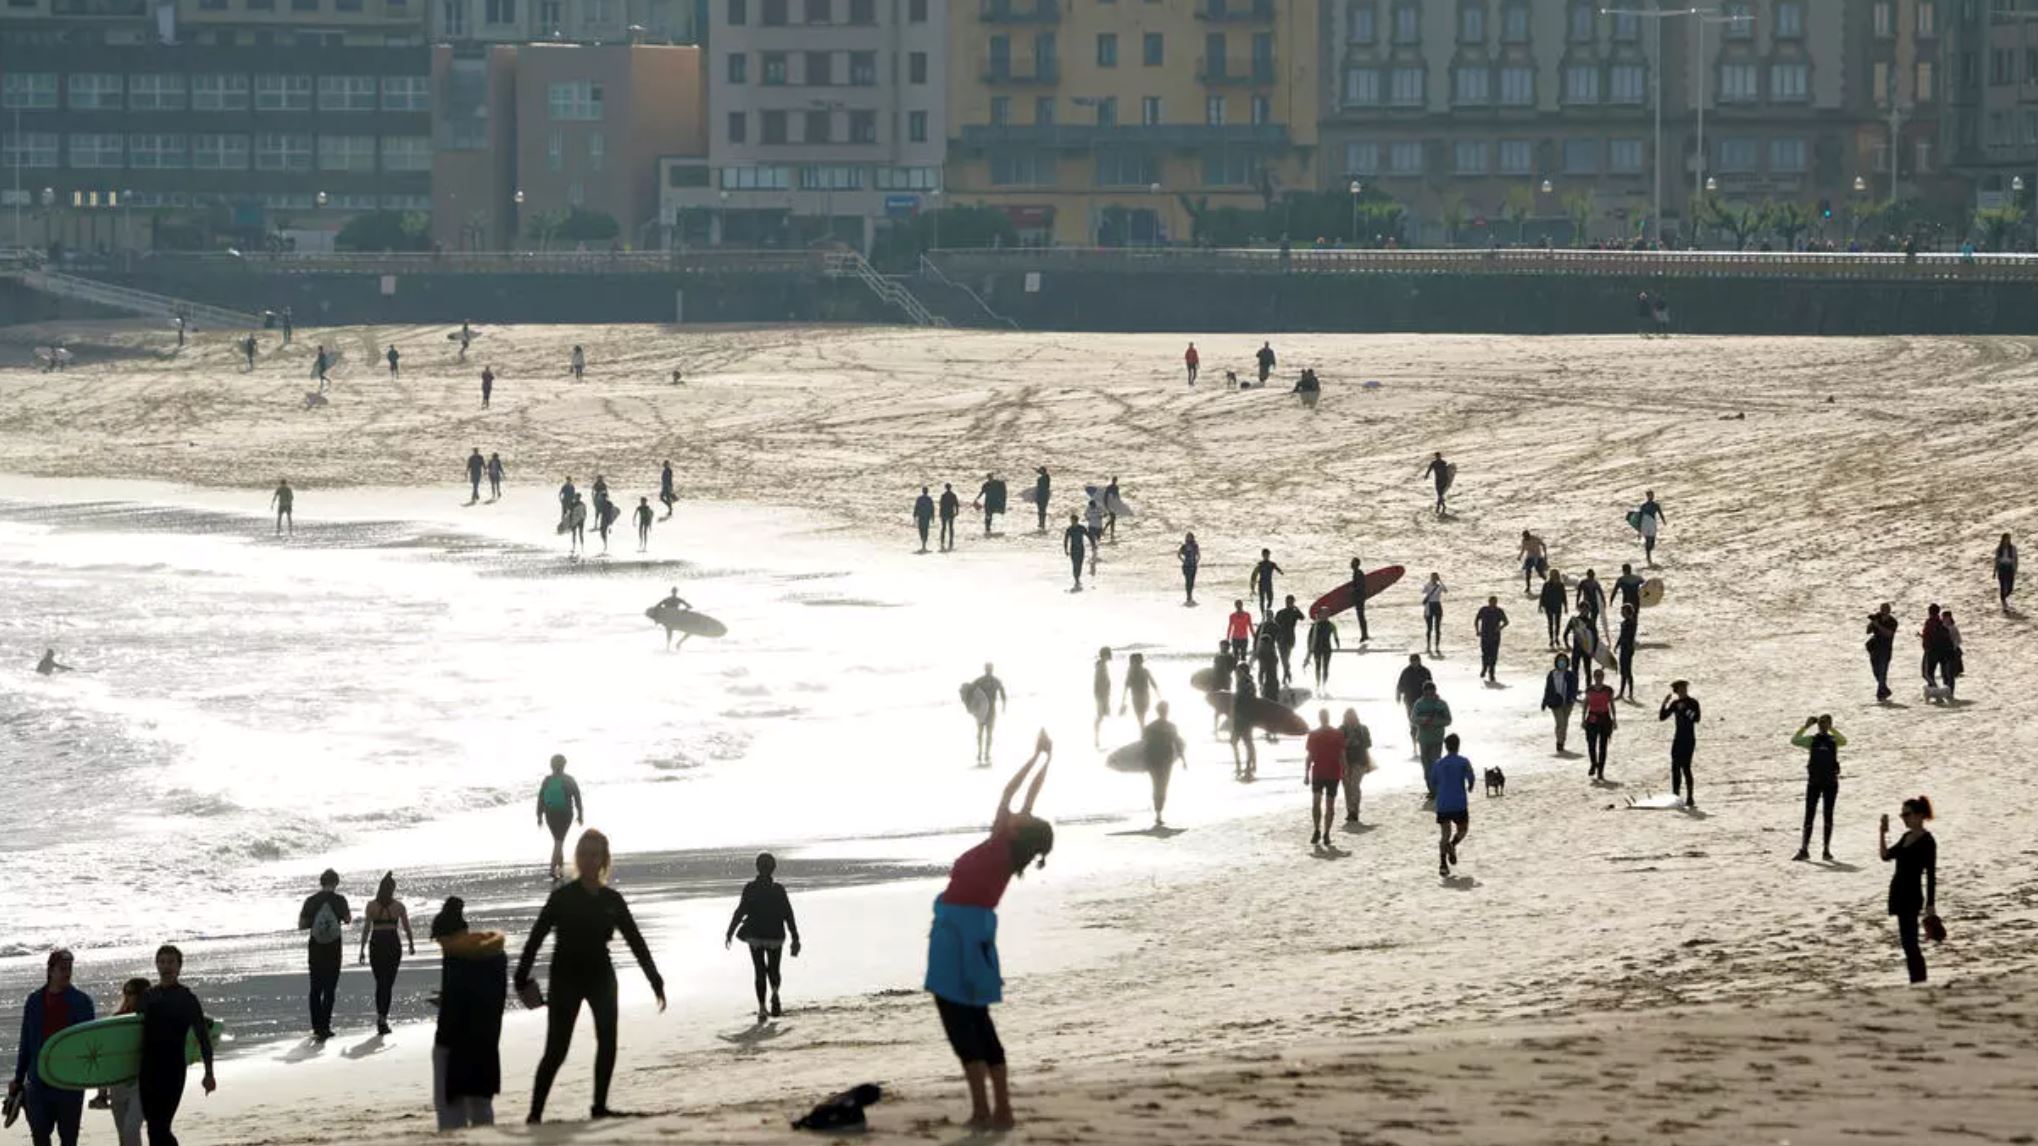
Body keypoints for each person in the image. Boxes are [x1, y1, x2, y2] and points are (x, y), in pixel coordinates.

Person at [925, 733, 1053, 1131]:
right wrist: (1044, 758)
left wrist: (1036, 756)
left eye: (1023, 818)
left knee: (959, 1019)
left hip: (957, 935)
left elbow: (1010, 791)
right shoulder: (1010, 848)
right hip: (975, 934)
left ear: (1018, 831)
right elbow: (1025, 796)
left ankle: (984, 1111)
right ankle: (1001, 1110)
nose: (1018, 813)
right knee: (977, 1018)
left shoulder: (1002, 841)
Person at [515, 829, 666, 1124]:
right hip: (565, 977)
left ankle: (599, 1106)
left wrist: (654, 979)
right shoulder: (562, 897)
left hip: (601, 975)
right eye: (583, 854)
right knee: (556, 1049)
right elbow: (535, 938)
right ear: (577, 858)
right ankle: (535, 1114)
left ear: (603, 859)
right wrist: (521, 977)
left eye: (594, 854)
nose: (588, 859)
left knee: (607, 1042)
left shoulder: (612, 899)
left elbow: (635, 940)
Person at [430, 898, 505, 1131]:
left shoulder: (455, 960)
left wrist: (446, 1002)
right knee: (482, 1107)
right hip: (486, 1041)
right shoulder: (495, 955)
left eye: (440, 941)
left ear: (448, 937)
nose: (440, 946)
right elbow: (487, 998)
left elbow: (457, 1005)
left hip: (453, 1044)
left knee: (450, 1110)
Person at [10, 950, 93, 1146]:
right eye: (62, 969)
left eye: (69, 969)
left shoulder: (82, 1002)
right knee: (39, 1137)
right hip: (38, 1081)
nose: (67, 973)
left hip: (70, 1082)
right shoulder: (34, 1001)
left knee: (69, 1139)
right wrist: (18, 1079)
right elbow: (26, 1042)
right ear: (50, 970)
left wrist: (91, 1077)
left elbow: (90, 1044)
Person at [135, 945, 214, 1146]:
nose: (166, 966)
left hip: (172, 1070)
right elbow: (132, 1032)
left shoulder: (187, 999)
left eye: (171, 962)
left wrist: (209, 1073)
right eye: (162, 962)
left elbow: (203, 1037)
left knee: (161, 1126)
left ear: (179, 967)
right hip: (148, 1070)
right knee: (153, 1128)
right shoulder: (148, 997)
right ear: (156, 965)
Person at [725, 853, 801, 1022]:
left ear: (757, 867)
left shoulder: (750, 888)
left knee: (759, 970)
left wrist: (730, 931)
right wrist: (795, 936)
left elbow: (740, 911)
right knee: (774, 968)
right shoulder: (778, 889)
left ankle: (761, 1008)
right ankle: (775, 993)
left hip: (755, 936)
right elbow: (788, 914)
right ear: (773, 868)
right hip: (775, 935)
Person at [1879, 796, 1938, 984]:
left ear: (1919, 815)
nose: (1904, 818)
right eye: (1902, 815)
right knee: (1907, 943)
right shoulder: (1906, 837)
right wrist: (1882, 832)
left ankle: (1919, 980)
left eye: (1907, 814)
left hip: (1912, 894)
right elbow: (1886, 855)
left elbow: (1931, 875)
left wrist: (1930, 904)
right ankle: (1917, 980)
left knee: (1910, 942)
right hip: (1898, 892)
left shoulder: (1928, 841)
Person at [359, 872, 415, 1036]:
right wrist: (411, 944)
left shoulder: (371, 906)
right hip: (392, 943)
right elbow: (406, 927)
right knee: (388, 984)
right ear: (392, 889)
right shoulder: (399, 906)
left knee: (380, 983)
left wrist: (362, 949)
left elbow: (366, 929)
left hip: (376, 943)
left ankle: (380, 1017)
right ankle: (383, 1019)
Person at [298, 869, 351, 1040]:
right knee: (330, 988)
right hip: (333, 948)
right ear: (336, 883)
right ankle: (325, 1025)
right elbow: (348, 919)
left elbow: (301, 924)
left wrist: (316, 922)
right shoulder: (340, 900)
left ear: (321, 882)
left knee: (315, 988)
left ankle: (316, 1026)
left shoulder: (311, 900)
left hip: (316, 948)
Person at [99, 977, 150, 1146]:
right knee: (123, 1135)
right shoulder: (116, 1021)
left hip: (142, 1084)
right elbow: (106, 1056)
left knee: (131, 1129)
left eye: (132, 993)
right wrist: (102, 1090)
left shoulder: (154, 1019)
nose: (127, 996)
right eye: (125, 992)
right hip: (117, 1084)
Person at [1791, 714, 1846, 862]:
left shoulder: (1834, 740)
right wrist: (1806, 726)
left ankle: (1826, 850)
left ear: (1830, 724)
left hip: (1830, 782)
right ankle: (1804, 849)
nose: (1822, 725)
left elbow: (1844, 741)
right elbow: (1794, 740)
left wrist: (1832, 729)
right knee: (1809, 815)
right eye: (1821, 723)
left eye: (1826, 723)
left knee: (1828, 815)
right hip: (1814, 782)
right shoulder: (1812, 740)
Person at [1429, 734, 1476, 877]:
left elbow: (1433, 782)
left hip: (1443, 803)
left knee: (1445, 834)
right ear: (1458, 746)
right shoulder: (1463, 762)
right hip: (1459, 803)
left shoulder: (1438, 763)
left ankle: (1443, 864)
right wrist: (1470, 787)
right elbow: (1471, 777)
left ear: (1446, 746)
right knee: (1463, 829)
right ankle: (1453, 844)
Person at [1302, 710, 1346, 847]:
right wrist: (1345, 771)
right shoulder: (1319, 734)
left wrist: (1306, 774)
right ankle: (1321, 831)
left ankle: (1323, 832)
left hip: (1326, 773)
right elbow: (1342, 756)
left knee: (1321, 803)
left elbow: (1341, 755)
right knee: (1324, 804)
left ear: (1321, 718)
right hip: (1326, 773)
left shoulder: (1332, 734)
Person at [537, 754, 584, 881]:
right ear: (564, 765)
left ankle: (561, 870)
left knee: (558, 840)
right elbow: (577, 797)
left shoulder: (547, 780)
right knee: (559, 841)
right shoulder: (569, 780)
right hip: (565, 814)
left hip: (550, 814)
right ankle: (552, 869)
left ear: (551, 766)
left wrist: (539, 816)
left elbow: (540, 798)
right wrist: (580, 814)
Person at [1140, 701, 1185, 828]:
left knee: (1157, 785)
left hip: (1154, 760)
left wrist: (1143, 762)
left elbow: (1142, 745)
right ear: (1166, 711)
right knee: (1162, 786)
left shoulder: (1149, 727)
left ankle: (1158, 811)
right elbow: (1178, 744)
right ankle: (1158, 811)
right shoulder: (1171, 727)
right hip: (1164, 760)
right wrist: (1183, 759)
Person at [1660, 680, 1701, 808]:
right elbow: (1662, 717)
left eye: (1684, 688)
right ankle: (1675, 795)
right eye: (1681, 689)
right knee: (1675, 767)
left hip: (1689, 738)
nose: (1683, 690)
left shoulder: (1693, 702)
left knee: (1686, 767)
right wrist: (1664, 704)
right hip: (1678, 738)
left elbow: (1697, 719)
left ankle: (1690, 797)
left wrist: (1685, 710)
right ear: (1676, 691)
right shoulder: (1675, 703)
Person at [1581, 669, 1617, 781]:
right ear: (1594, 677)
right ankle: (1593, 763)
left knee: (1603, 746)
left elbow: (1612, 705)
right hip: (1592, 717)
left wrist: (1614, 719)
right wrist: (1583, 719)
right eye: (1596, 676)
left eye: (1600, 676)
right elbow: (1586, 705)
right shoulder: (1589, 690)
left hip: (1604, 718)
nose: (1598, 678)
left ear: (1603, 677)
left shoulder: (1608, 690)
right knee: (1591, 744)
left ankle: (1600, 771)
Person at [1336, 709, 1371, 822]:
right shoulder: (1341, 730)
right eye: (1348, 717)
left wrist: (1369, 763)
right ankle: (1350, 810)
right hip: (1344, 762)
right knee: (1347, 787)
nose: (1350, 720)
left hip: (1360, 761)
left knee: (1354, 785)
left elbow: (1367, 746)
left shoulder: (1363, 729)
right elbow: (1338, 747)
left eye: (1352, 717)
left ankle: (1355, 810)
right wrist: (1348, 741)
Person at [969, 664, 1007, 766]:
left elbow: (970, 691)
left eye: (989, 669)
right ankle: (983, 754)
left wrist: (972, 706)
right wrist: (1004, 705)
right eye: (988, 669)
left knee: (983, 734)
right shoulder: (994, 681)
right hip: (986, 711)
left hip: (983, 711)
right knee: (984, 734)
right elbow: (1003, 694)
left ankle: (983, 754)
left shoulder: (981, 681)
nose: (989, 670)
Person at [1542, 653, 1578, 754]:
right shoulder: (1552, 674)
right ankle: (1559, 742)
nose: (1561, 662)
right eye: (1560, 660)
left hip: (1567, 703)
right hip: (1556, 702)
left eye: (1563, 661)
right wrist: (1544, 701)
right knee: (1560, 722)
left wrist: (1573, 698)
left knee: (1564, 723)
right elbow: (1548, 688)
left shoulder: (1570, 675)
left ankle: (1562, 740)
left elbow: (1574, 688)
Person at [1228, 663, 1259, 780]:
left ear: (1242, 671)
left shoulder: (1247, 683)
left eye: (1237, 671)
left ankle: (1247, 767)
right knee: (1237, 742)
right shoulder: (1242, 682)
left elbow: (1248, 701)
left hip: (1244, 718)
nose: (1235, 673)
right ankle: (1244, 766)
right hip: (1241, 718)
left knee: (1246, 742)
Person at [1394, 654, 1432, 748]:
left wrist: (1432, 697)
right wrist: (1398, 696)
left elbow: (1430, 686)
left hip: (1423, 701)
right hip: (1409, 701)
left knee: (1423, 721)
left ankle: (1422, 740)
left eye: (1416, 661)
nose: (1414, 663)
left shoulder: (1425, 671)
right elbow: (1400, 685)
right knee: (1413, 722)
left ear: (1419, 661)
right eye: (1412, 661)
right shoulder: (1406, 672)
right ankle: (1414, 741)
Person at [1865, 602, 1899, 701]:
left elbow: (1889, 634)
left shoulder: (1893, 621)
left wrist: (1878, 625)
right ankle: (1885, 690)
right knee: (1876, 672)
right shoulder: (1877, 617)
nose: (1883, 612)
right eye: (1882, 609)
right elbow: (1867, 631)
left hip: (1885, 650)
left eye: (1885, 610)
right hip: (1874, 649)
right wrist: (1872, 623)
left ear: (1889, 611)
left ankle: (1880, 695)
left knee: (1883, 673)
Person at [1271, 595, 1305, 684]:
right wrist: (1274, 638)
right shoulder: (1280, 612)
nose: (1288, 603)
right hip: (1280, 638)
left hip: (1290, 638)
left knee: (1286, 658)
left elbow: (1302, 617)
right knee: (1283, 659)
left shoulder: (1294, 613)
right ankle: (1287, 674)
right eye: (1287, 602)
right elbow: (1275, 626)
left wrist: (1296, 608)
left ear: (1293, 602)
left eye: (1290, 602)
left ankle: (1286, 674)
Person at [1473, 594, 1507, 682]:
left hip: (1495, 637)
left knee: (1494, 656)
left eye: (1495, 602)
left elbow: (1506, 622)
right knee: (1485, 654)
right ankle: (1484, 668)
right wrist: (1477, 630)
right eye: (1492, 602)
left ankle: (1491, 673)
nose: (1493, 604)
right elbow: (1476, 620)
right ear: (1489, 602)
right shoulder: (1484, 610)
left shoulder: (1499, 611)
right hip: (1485, 635)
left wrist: (1500, 628)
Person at [1119, 652, 1156, 729]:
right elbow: (1153, 684)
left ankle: (1143, 731)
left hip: (1136, 698)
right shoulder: (1145, 671)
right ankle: (1144, 731)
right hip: (1146, 698)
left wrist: (1123, 701)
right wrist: (1160, 696)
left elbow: (1126, 687)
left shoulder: (1131, 672)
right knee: (1142, 716)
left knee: (1140, 718)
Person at [1303, 614, 1339, 691]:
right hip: (1318, 649)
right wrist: (1309, 650)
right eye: (1324, 614)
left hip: (1325, 649)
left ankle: (1323, 685)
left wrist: (1337, 644)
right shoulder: (1316, 625)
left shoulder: (1330, 625)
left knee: (1325, 667)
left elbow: (1335, 636)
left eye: (1326, 614)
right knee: (1319, 667)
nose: (1325, 616)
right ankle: (1318, 684)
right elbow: (1310, 638)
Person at [1614, 603, 1639, 701]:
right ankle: (1621, 692)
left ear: (1628, 612)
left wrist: (1624, 645)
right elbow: (1621, 636)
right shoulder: (1624, 623)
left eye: (1623, 611)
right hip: (1624, 648)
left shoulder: (1632, 623)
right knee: (1623, 671)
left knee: (1628, 671)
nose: (1621, 613)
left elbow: (1628, 636)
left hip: (1628, 649)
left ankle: (1630, 693)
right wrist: (1617, 645)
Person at [1938, 610, 1965, 700]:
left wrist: (1953, 647)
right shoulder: (1941, 627)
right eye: (1943, 617)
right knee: (1944, 674)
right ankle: (1945, 692)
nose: (1944, 619)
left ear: (1949, 618)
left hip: (1952, 653)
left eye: (1945, 617)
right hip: (1943, 653)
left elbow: (1958, 640)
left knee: (1950, 674)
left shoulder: (1953, 628)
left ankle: (1950, 693)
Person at [1539, 567, 1568, 648]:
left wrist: (1566, 606)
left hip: (1557, 606)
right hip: (1549, 606)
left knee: (1557, 623)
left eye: (1554, 574)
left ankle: (1557, 638)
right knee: (1551, 623)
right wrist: (1540, 606)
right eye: (1552, 574)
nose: (1553, 576)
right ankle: (1551, 639)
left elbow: (1564, 596)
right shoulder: (1546, 584)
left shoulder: (1560, 585)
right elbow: (1542, 595)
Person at [1919, 604, 1946, 693]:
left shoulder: (1931, 622)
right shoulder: (1940, 622)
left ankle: (1936, 690)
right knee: (1929, 673)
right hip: (1935, 650)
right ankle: (1933, 691)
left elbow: (1930, 636)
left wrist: (1924, 638)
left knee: (1926, 673)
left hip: (1930, 650)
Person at [1090, 647, 1113, 748]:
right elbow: (1098, 681)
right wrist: (1102, 695)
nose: (1110, 656)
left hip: (1103, 694)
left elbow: (1102, 681)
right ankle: (1096, 739)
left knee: (1102, 716)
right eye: (1108, 654)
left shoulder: (1102, 665)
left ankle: (1097, 738)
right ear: (1105, 655)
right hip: (1101, 694)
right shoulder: (1101, 666)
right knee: (1100, 716)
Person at [1635, 491, 1666, 565]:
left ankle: (1648, 551)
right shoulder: (1643, 506)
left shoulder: (1656, 505)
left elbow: (1660, 513)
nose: (1651, 497)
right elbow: (1640, 518)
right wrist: (1639, 531)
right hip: (1646, 524)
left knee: (1652, 542)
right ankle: (1648, 556)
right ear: (1647, 496)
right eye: (1650, 495)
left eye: (1652, 495)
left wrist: (1663, 520)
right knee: (1648, 540)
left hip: (1652, 524)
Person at [1575, 569, 1606, 640]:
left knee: (1589, 619)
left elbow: (1578, 593)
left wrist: (1577, 602)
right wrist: (1604, 602)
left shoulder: (1585, 582)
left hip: (1587, 604)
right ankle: (1592, 633)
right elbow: (1601, 593)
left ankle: (1590, 633)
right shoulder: (1595, 583)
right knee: (1591, 620)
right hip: (1591, 604)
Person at [1249, 549, 1282, 616]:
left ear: (1269, 555)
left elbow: (1278, 569)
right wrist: (1252, 587)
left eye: (1267, 554)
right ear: (1262, 555)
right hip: (1262, 584)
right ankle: (1263, 615)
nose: (1266, 556)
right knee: (1262, 600)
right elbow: (1254, 575)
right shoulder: (1260, 565)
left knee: (1270, 599)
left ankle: (1267, 611)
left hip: (1269, 584)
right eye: (1265, 555)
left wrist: (1280, 571)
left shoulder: (1272, 564)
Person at [1060, 513, 1088, 592]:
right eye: (1071, 521)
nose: (1072, 522)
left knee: (1080, 564)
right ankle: (1076, 579)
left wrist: (1093, 545)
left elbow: (1088, 535)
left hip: (1081, 549)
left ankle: (1077, 578)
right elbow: (1066, 540)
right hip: (1073, 549)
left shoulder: (1081, 528)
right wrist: (1066, 549)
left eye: (1073, 521)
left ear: (1076, 521)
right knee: (1075, 565)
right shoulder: (1069, 529)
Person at [1420, 572, 1446, 654]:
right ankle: (1428, 646)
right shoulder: (1428, 585)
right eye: (1433, 577)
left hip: (1437, 605)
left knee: (1437, 628)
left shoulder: (1439, 586)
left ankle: (1437, 646)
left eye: (1435, 577)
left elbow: (1445, 590)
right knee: (1429, 628)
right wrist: (1430, 582)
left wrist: (1440, 581)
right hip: (1429, 606)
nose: (1434, 579)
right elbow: (1423, 591)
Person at [1347, 556, 1372, 643]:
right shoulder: (1356, 573)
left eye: (1352, 563)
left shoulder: (1358, 573)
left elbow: (1360, 586)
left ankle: (1364, 635)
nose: (1351, 564)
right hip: (1359, 598)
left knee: (1361, 616)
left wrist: (1352, 590)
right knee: (1361, 616)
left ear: (1356, 564)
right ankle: (1364, 634)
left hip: (1360, 598)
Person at [1518, 530, 1549, 595]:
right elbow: (1523, 549)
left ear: (1529, 535)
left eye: (1526, 536)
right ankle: (1528, 587)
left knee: (1540, 572)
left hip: (1538, 557)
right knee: (1527, 572)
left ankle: (1549, 583)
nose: (1525, 538)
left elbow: (1543, 545)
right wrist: (1520, 556)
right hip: (1529, 557)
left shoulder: (1535, 538)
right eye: (1524, 536)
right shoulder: (1524, 541)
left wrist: (1545, 554)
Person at [1422, 452, 1451, 516]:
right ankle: (1443, 505)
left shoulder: (1443, 463)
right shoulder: (1434, 463)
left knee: (1440, 494)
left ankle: (1438, 507)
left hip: (1443, 480)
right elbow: (1429, 469)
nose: (1438, 457)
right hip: (1438, 480)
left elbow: (1447, 471)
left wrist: (1448, 479)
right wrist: (1426, 475)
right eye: (1437, 456)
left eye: (1439, 456)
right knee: (1440, 494)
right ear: (1436, 457)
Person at [1995, 532, 2018, 608]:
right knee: (2002, 585)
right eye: (2005, 539)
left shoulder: (2013, 548)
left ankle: (2005, 596)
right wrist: (1994, 571)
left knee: (2010, 587)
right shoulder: (1999, 549)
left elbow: (2016, 559)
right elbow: (1996, 560)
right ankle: (2003, 601)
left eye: (2008, 539)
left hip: (2009, 568)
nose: (2007, 541)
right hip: (2002, 568)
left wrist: (2015, 568)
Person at [1082, 498, 1104, 574]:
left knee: (1098, 538)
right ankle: (1093, 548)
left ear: (1095, 504)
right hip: (1091, 525)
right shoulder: (1088, 508)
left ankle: (1095, 548)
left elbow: (1105, 513)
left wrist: (1102, 516)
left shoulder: (1099, 507)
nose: (1092, 507)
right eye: (1091, 506)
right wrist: (1087, 518)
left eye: (1093, 505)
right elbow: (1085, 514)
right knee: (1091, 538)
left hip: (1099, 526)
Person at [1178, 532, 1200, 606]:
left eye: (1190, 537)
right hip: (1186, 566)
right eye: (1188, 537)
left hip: (1193, 566)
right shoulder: (1184, 546)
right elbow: (1178, 554)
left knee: (1192, 582)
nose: (1189, 538)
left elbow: (1198, 555)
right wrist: (1183, 561)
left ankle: (1190, 596)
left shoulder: (1195, 546)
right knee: (1188, 581)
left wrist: (1196, 561)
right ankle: (1188, 597)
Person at [938, 483, 960, 552]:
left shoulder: (943, 495)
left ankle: (942, 542)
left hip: (944, 513)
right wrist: (957, 512)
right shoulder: (953, 495)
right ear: (950, 487)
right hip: (950, 513)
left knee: (943, 528)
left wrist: (940, 513)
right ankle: (951, 542)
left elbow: (941, 505)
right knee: (951, 528)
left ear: (945, 488)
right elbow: (956, 504)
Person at [913, 487, 936, 553]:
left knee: (921, 530)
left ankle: (923, 545)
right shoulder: (929, 499)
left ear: (922, 491)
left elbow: (916, 507)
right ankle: (924, 545)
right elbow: (932, 508)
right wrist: (932, 516)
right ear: (927, 491)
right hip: (926, 517)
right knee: (925, 530)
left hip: (921, 517)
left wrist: (915, 515)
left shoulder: (919, 499)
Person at [1102, 477, 1121, 543]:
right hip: (1109, 504)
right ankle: (1110, 533)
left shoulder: (1116, 487)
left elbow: (1117, 496)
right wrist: (1105, 505)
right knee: (1113, 518)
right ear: (1112, 480)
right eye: (1114, 480)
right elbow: (1105, 496)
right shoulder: (1109, 487)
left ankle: (1107, 531)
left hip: (1113, 504)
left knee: (1113, 519)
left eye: (1115, 481)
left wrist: (1118, 503)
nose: (1114, 481)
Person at [1032, 467, 1050, 532]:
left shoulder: (1046, 477)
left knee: (1042, 510)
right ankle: (1040, 523)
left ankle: (1042, 523)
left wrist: (1038, 471)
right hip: (1040, 495)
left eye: (1041, 470)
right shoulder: (1043, 477)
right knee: (1040, 510)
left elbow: (1044, 475)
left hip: (1044, 495)